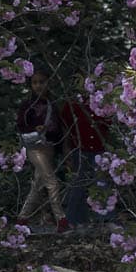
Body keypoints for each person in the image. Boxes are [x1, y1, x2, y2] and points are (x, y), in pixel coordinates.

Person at [17, 65, 69, 233]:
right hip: (34, 147)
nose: (38, 85)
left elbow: (59, 127)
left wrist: (61, 147)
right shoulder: (28, 104)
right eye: (35, 83)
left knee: (38, 184)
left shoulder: (52, 104)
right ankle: (61, 219)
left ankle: (22, 218)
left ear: (48, 83)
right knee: (52, 182)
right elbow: (20, 125)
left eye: (42, 82)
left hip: (49, 147)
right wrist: (35, 128)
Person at [59, 94, 112, 226]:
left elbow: (107, 125)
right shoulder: (72, 104)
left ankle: (105, 219)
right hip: (79, 149)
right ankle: (75, 220)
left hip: (99, 148)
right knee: (78, 183)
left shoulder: (102, 99)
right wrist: (67, 150)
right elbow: (65, 127)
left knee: (101, 182)